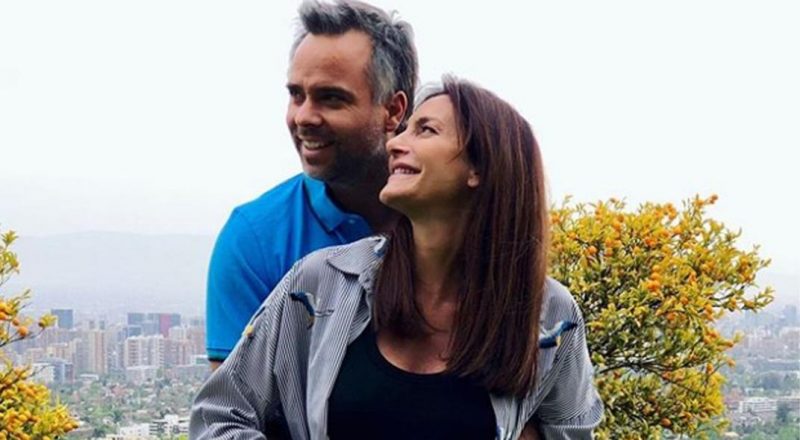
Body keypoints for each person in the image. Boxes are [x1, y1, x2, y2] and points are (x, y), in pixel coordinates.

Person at [190, 77, 603, 439]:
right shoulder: (320, 284)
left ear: (478, 168)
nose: (394, 143)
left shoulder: (549, 316)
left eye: (426, 130)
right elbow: (219, 414)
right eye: (404, 130)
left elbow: (571, 431)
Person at [205, 0, 417, 369]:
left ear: (393, 110)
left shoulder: (453, 218)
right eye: (296, 95)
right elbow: (231, 401)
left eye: (331, 98)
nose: (303, 117)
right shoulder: (256, 239)